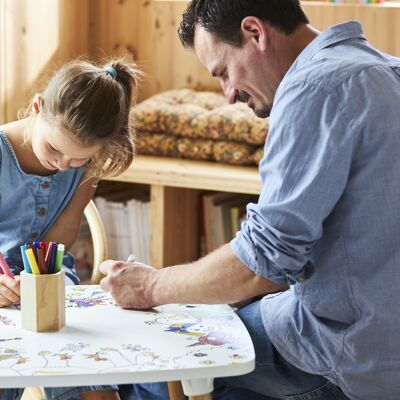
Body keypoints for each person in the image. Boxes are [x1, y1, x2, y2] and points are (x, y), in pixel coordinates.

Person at [99, 0, 400, 399]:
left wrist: (151, 285)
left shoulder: (316, 88)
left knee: (155, 362)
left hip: (351, 353)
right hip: (380, 339)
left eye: (224, 72)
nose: (228, 95)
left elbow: (262, 265)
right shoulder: (387, 69)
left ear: (255, 33)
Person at [0, 58, 140, 400]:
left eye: (77, 159)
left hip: (51, 275)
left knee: (91, 374)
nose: (63, 164)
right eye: (55, 149)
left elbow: (63, 230)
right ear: (37, 107)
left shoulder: (86, 167)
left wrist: (43, 279)